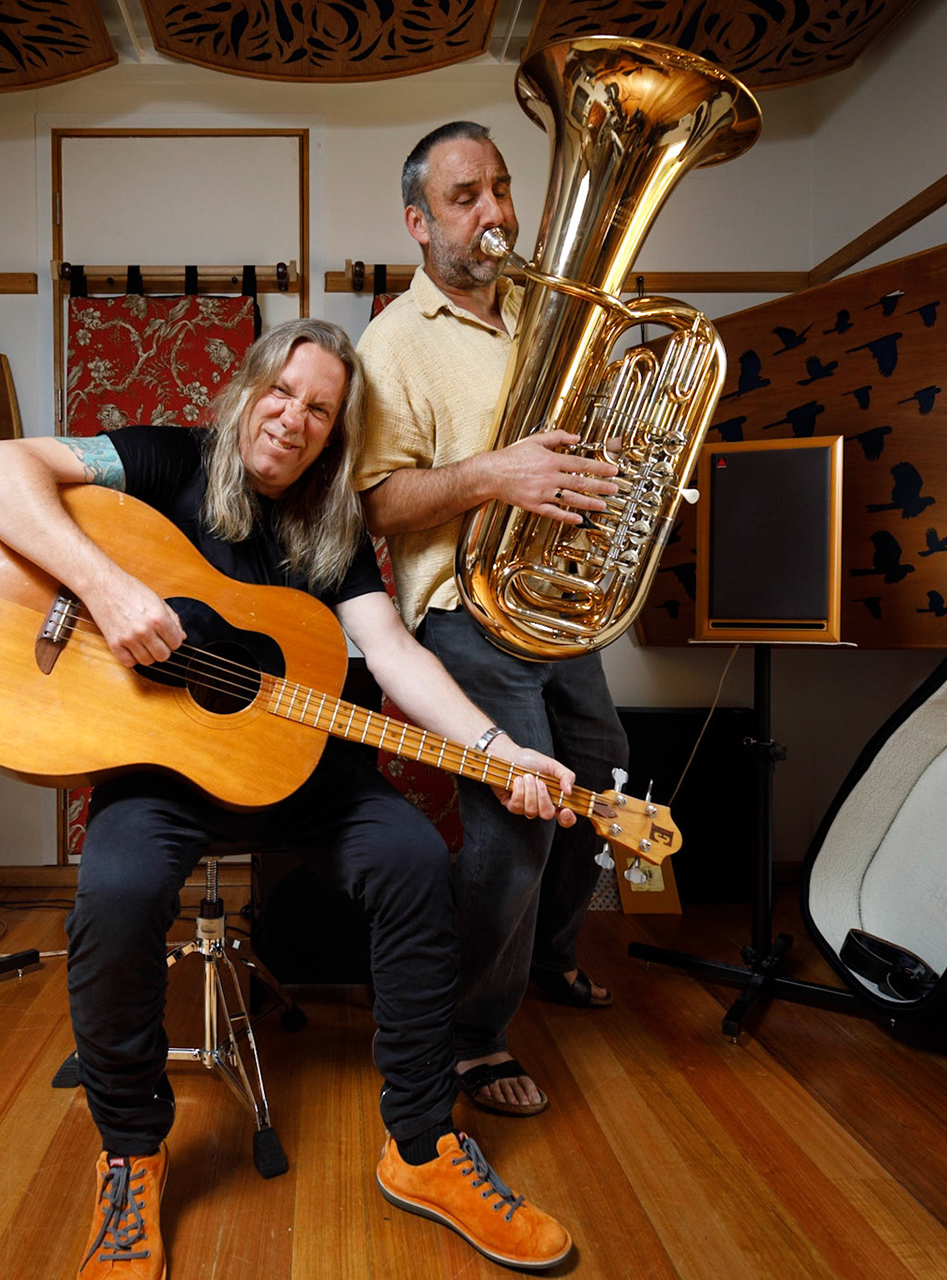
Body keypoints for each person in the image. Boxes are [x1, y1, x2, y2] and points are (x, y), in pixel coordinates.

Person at [0, 318, 577, 1278]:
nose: (292, 421)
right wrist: (108, 588)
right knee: (114, 896)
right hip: (163, 775)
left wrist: (505, 754)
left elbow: (400, 655)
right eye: (280, 394)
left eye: (319, 410)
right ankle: (130, 1155)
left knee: (415, 863)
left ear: (335, 434)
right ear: (246, 391)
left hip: (307, 775)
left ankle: (421, 1147)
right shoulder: (163, 462)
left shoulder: (333, 532)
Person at [354, 121, 631, 1119]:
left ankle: (548, 955)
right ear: (419, 224)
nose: (496, 214)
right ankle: (471, 1035)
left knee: (598, 771)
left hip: (556, 602)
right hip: (462, 610)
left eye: (502, 189)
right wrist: (495, 473)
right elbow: (377, 504)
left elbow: (579, 453)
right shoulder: (391, 343)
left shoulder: (551, 313)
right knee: (517, 824)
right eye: (466, 197)